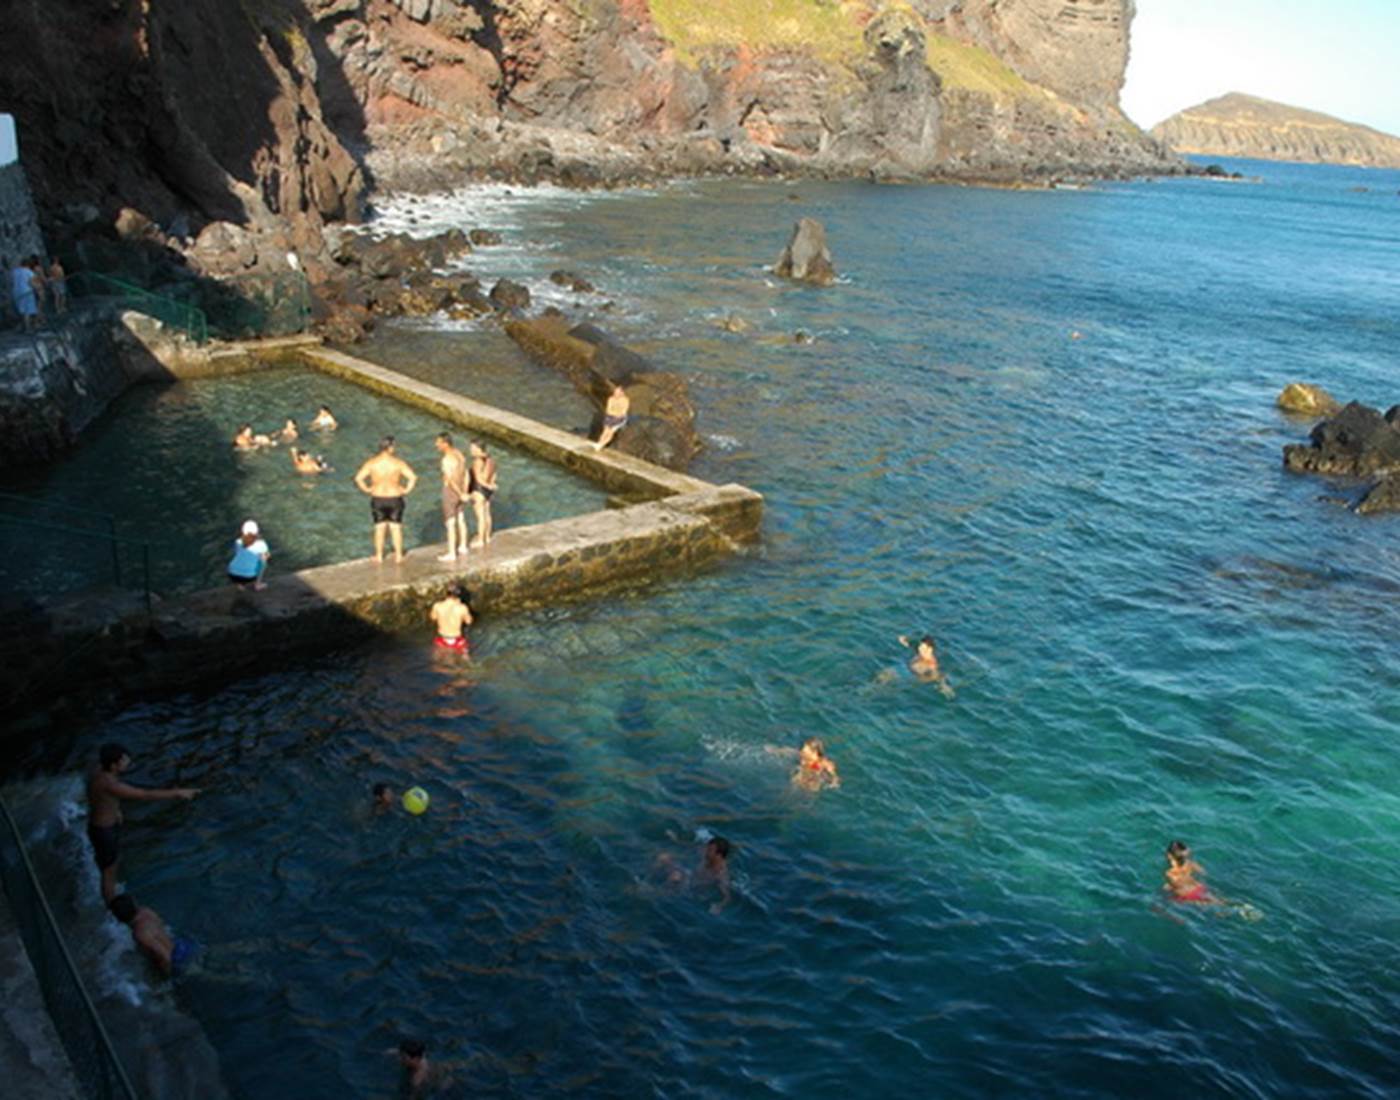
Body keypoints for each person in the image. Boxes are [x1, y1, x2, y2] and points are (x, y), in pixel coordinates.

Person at [86, 743, 199, 903]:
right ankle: (111, 905)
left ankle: (109, 892)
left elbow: (102, 797)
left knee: (109, 864)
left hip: (101, 826)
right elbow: (144, 794)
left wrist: (115, 808)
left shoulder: (100, 772)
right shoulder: (110, 784)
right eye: (123, 761)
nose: (128, 762)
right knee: (109, 871)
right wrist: (177, 793)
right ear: (113, 766)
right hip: (104, 831)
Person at [355, 435, 418, 563]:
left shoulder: (372, 463)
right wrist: (406, 490)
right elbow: (413, 477)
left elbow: (358, 478)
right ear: (390, 448)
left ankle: (379, 556)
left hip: (378, 497)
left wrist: (367, 489)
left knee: (379, 528)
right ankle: (399, 556)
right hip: (395, 497)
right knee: (396, 527)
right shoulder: (398, 463)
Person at [108, 894, 176, 976]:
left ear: (119, 919)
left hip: (176, 963)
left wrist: (167, 978)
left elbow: (166, 957)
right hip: (178, 947)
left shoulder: (139, 934)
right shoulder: (146, 912)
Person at [433, 432, 469, 562]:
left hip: (451, 491)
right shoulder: (459, 454)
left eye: (439, 442)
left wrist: (459, 493)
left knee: (450, 522)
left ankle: (451, 553)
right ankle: (463, 546)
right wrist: (465, 491)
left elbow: (450, 480)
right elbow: (466, 474)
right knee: (461, 518)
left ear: (445, 444)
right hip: (461, 489)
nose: (436, 445)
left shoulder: (446, 460)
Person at [467, 440, 498, 548]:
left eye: (473, 448)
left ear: (479, 449)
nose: (470, 450)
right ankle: (487, 537)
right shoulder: (491, 459)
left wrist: (487, 485)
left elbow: (478, 479)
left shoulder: (477, 461)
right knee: (487, 514)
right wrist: (491, 484)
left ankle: (480, 540)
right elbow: (494, 474)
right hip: (488, 490)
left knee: (480, 516)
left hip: (479, 490)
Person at [429, 584, 472, 653]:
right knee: (465, 659)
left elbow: (433, 618)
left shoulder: (437, 606)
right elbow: (469, 621)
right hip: (457, 640)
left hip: (441, 639)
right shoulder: (462, 608)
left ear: (446, 594)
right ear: (458, 596)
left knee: (437, 659)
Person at [228, 520, 270, 589]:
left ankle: (240, 585)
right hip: (249, 577)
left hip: (232, 575)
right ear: (257, 532)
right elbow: (266, 556)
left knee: (240, 559)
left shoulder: (238, 541)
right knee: (263, 562)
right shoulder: (261, 544)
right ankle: (257, 585)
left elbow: (237, 553)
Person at [696, 835, 733, 914]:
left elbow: (727, 897)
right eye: (707, 848)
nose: (705, 851)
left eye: (709, 850)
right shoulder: (707, 857)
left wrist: (719, 906)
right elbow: (694, 847)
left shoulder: (721, 874)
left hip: (698, 893)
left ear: (718, 855)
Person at [592, 382, 629, 450]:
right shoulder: (611, 399)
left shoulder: (625, 400)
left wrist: (615, 413)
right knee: (605, 431)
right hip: (610, 417)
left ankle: (602, 444)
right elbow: (608, 410)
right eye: (615, 392)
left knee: (610, 432)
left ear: (622, 393)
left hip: (619, 419)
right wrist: (615, 413)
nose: (615, 394)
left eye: (617, 392)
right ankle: (599, 443)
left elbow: (623, 412)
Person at [10, 254, 40, 332]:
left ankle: (22, 326)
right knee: (28, 311)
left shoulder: (15, 271)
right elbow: (31, 283)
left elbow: (13, 281)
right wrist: (38, 289)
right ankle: (28, 328)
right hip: (27, 291)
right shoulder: (29, 272)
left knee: (21, 310)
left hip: (16, 291)